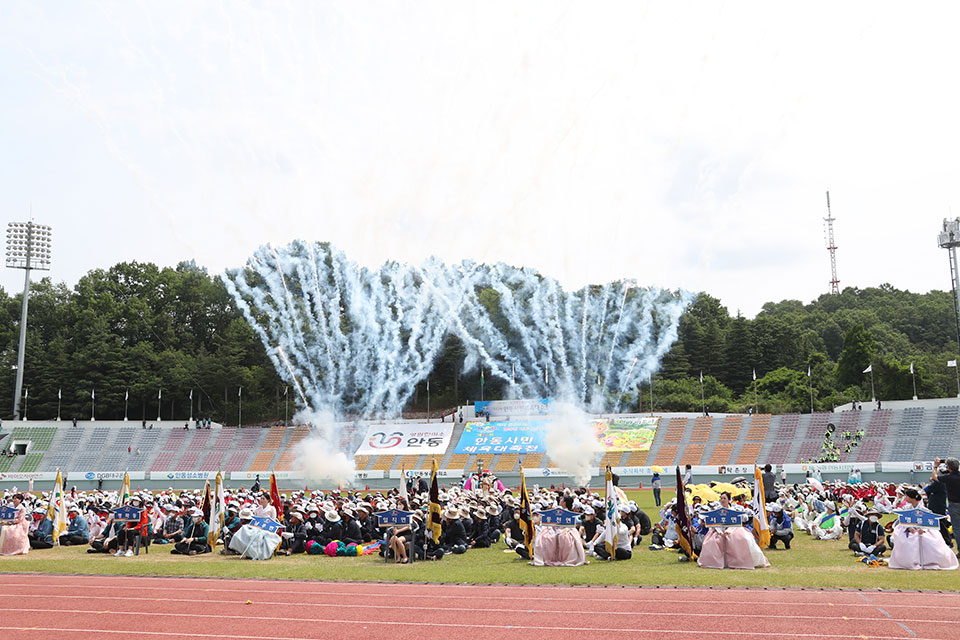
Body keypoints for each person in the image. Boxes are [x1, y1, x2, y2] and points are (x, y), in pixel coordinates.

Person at [888, 487, 958, 571]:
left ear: (912, 498)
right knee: (909, 538)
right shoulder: (906, 508)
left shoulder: (924, 510)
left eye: (906, 496)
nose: (905, 498)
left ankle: (929, 561)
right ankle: (908, 561)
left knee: (927, 539)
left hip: (924, 530)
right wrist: (909, 528)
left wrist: (923, 529)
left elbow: (929, 521)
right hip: (910, 530)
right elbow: (903, 521)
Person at [697, 492, 768, 569]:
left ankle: (740, 561)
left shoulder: (734, 510)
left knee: (741, 539)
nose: (722, 500)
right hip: (718, 530)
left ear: (729, 500)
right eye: (721, 498)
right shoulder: (717, 510)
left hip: (733, 529)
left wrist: (729, 531)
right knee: (711, 541)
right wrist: (720, 532)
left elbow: (736, 523)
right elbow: (715, 523)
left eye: (724, 498)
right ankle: (713, 561)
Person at [932, 457, 960, 555]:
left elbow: (935, 477)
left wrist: (936, 466)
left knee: (957, 528)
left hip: (954, 504)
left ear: (949, 467)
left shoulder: (949, 477)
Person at [924, 464, 952, 547]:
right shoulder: (946, 482)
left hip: (936, 506)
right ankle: (946, 541)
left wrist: (932, 482)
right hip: (940, 505)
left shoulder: (939, 483)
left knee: (940, 525)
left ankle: (947, 541)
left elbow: (926, 489)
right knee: (941, 524)